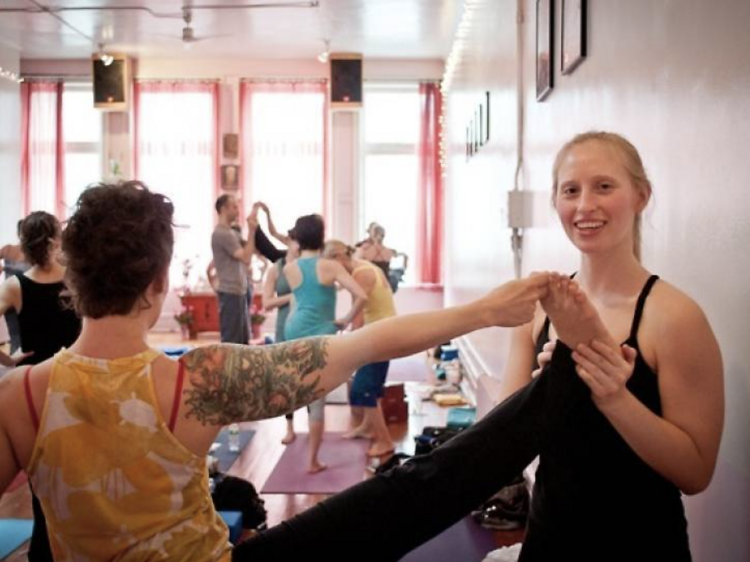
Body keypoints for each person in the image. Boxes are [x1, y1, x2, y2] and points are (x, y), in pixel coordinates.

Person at [0, 181, 551, 561]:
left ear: (72, 279)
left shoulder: (19, 394)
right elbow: (364, 342)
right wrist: (486, 311)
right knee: (400, 496)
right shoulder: (201, 380)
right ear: (158, 283)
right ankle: (558, 391)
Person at [499, 131, 724, 560]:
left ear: (641, 196)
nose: (585, 206)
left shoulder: (676, 318)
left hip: (643, 543)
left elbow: (695, 472)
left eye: (604, 186)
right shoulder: (539, 309)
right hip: (548, 540)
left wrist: (613, 397)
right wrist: (544, 389)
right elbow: (505, 448)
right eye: (571, 190)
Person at [0, 211, 82, 562]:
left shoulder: (16, 285)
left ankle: (47, 551)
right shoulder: (72, 279)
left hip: (43, 386)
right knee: (66, 478)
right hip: (65, 385)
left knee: (44, 481)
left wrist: (8, 360)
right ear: (54, 239)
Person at [283, 215, 369, 473]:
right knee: (317, 397)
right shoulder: (330, 266)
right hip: (321, 333)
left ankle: (293, 432)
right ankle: (312, 461)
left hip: (293, 329)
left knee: (301, 389)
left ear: (298, 238)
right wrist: (345, 319)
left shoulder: (290, 267)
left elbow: (302, 299)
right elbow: (361, 295)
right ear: (322, 236)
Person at [324, 240, 397, 457]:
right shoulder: (364, 266)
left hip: (380, 335)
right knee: (373, 387)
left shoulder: (360, 274)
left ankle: (385, 442)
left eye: (330, 264)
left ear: (338, 258)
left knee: (363, 389)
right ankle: (366, 427)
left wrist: (345, 331)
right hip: (384, 331)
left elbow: (358, 315)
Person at [262, 236, 300, 445]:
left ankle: (314, 427)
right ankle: (290, 427)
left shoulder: (309, 264)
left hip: (307, 325)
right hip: (285, 325)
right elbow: (266, 302)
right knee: (286, 378)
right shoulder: (276, 269)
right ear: (289, 242)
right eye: (296, 241)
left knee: (311, 374)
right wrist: (289, 298)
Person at [211, 194, 257, 344]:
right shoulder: (221, 233)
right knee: (232, 343)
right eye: (235, 207)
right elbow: (246, 257)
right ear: (224, 209)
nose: (238, 211)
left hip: (239, 292)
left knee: (243, 342)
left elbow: (251, 251)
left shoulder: (231, 233)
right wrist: (251, 231)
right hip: (231, 292)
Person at [0, 220, 30, 353]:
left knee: (18, 336)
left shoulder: (9, 249)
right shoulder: (9, 249)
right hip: (20, 297)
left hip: (17, 296)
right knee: (18, 335)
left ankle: (15, 359)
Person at [354, 222, 407, 292]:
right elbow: (404, 259)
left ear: (372, 235)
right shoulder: (389, 252)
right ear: (384, 236)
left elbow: (356, 263)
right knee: (397, 273)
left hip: (371, 283)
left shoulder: (365, 251)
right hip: (386, 284)